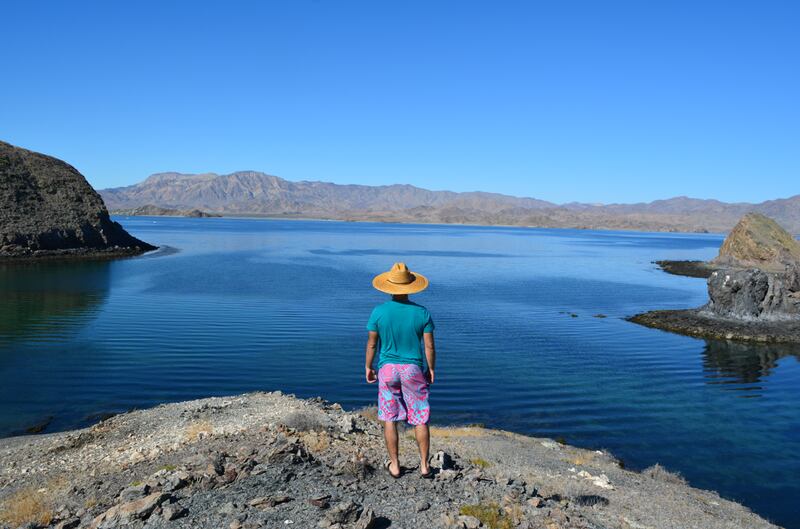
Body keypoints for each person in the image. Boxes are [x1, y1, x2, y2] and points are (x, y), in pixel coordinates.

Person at [365, 262, 436, 479]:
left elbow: (371, 344)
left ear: (389, 286)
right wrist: (431, 368)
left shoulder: (378, 312)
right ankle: (424, 466)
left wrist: (368, 366)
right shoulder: (422, 313)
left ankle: (395, 465)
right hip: (412, 369)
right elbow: (429, 346)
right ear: (410, 286)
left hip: (387, 369)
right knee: (420, 417)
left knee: (389, 418)